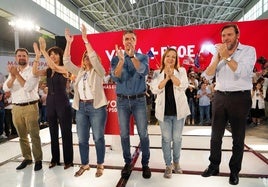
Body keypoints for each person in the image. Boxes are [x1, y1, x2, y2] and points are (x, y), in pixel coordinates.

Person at [201, 24, 256, 185]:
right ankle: (214, 165)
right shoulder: (219, 53)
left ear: (237, 35)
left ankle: (234, 171)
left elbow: (243, 72)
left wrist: (227, 57)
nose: (226, 39)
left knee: (238, 138)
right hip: (219, 97)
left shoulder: (248, 50)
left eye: (229, 35)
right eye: (223, 36)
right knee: (215, 137)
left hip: (240, 98)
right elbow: (208, 75)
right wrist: (218, 57)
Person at [63, 24, 108, 177]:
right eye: (85, 56)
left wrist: (85, 40)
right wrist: (69, 43)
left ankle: (100, 164)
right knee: (82, 139)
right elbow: (66, 63)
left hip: (96, 108)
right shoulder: (80, 72)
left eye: (88, 56)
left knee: (98, 137)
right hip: (81, 108)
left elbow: (95, 60)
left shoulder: (99, 71)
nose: (87, 58)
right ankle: (85, 164)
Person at [111, 30, 151, 179]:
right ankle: (127, 163)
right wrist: (121, 60)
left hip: (139, 100)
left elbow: (143, 70)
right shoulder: (116, 59)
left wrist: (132, 56)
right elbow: (115, 77)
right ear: (123, 41)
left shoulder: (143, 57)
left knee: (143, 133)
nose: (128, 41)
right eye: (126, 39)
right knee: (124, 134)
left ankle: (145, 164)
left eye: (131, 39)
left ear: (136, 41)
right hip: (122, 101)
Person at [32, 37, 74, 170]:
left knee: (66, 132)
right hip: (50, 102)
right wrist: (38, 56)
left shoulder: (64, 68)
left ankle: (68, 160)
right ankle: (54, 158)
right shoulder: (48, 71)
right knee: (52, 131)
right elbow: (34, 72)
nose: (52, 56)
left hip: (63, 102)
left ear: (60, 56)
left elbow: (55, 66)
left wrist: (44, 51)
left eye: (55, 54)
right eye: (50, 55)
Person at [150, 48, 190, 178]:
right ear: (164, 58)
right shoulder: (157, 72)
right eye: (168, 56)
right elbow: (155, 89)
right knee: (166, 139)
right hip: (164, 114)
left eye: (173, 57)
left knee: (177, 139)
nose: (171, 59)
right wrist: (166, 78)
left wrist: (172, 75)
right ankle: (168, 165)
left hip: (179, 113)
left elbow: (183, 85)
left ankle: (176, 162)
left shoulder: (181, 71)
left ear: (176, 59)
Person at [3, 48, 43, 171]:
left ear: (27, 58)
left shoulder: (33, 71)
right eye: (19, 55)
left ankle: (38, 160)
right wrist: (13, 76)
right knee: (22, 136)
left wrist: (16, 74)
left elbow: (28, 87)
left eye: (24, 56)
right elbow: (5, 88)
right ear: (16, 58)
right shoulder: (13, 72)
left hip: (30, 106)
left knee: (34, 135)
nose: (21, 57)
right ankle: (27, 158)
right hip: (16, 108)